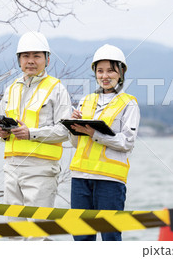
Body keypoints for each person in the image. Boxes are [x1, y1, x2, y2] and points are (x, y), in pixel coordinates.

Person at [0, 31, 71, 234]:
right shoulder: (11, 89)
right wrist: (1, 133)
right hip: (11, 168)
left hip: (41, 169)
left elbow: (65, 131)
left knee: (38, 233)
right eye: (26, 56)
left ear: (47, 59)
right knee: (14, 232)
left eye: (36, 56)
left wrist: (31, 133)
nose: (31, 61)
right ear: (19, 59)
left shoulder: (57, 89)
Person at [68, 44, 140, 241]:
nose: (105, 76)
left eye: (110, 70)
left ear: (121, 72)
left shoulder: (129, 103)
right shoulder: (86, 100)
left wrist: (94, 134)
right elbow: (76, 143)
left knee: (110, 237)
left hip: (110, 179)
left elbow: (127, 143)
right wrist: (74, 127)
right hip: (80, 177)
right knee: (82, 237)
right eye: (100, 71)